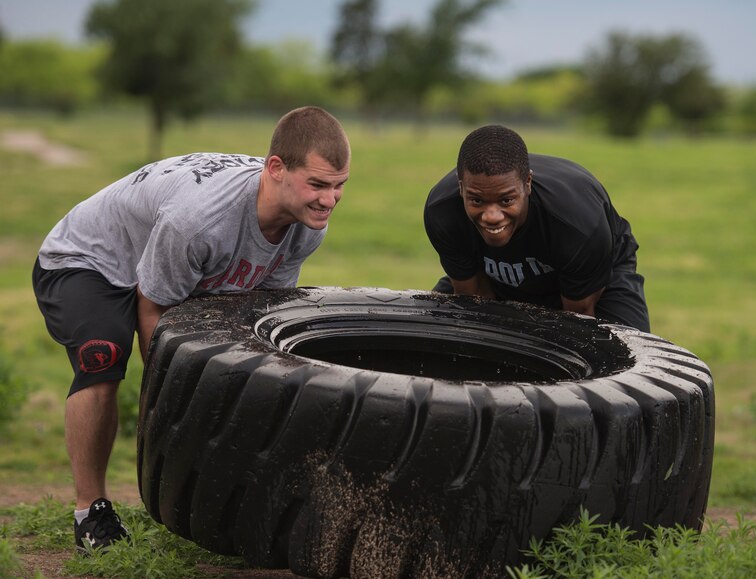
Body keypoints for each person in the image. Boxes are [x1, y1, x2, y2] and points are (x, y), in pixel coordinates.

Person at [32, 106, 350, 552]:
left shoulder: (307, 226)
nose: (329, 200)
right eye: (317, 184)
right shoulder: (200, 220)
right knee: (102, 353)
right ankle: (92, 511)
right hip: (88, 262)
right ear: (276, 169)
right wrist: (165, 395)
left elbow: (255, 310)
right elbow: (154, 304)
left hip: (167, 266)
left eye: (339, 187)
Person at [424, 124, 649, 331]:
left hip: (593, 283)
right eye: (477, 201)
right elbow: (473, 300)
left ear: (527, 184)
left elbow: (578, 318)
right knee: (436, 333)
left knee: (624, 352)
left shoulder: (576, 223)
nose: (492, 216)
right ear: (461, 186)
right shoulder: (442, 212)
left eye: (506, 201)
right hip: (492, 277)